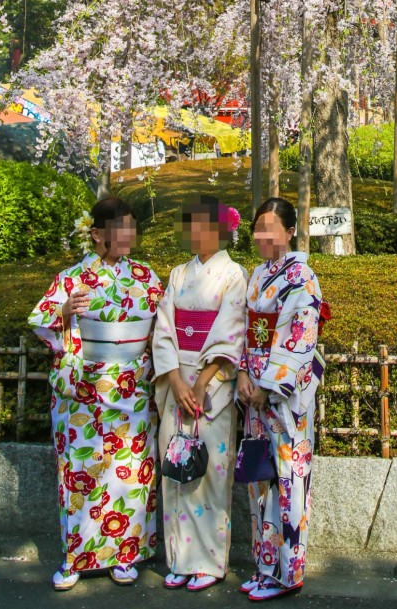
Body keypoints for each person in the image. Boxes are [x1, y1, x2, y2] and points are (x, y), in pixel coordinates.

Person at [29, 196, 163, 592]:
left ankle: (126, 554)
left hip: (133, 385)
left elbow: (164, 328)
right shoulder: (72, 278)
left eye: (131, 227)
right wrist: (66, 311)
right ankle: (75, 557)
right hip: (84, 388)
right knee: (80, 473)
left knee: (132, 472)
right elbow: (41, 319)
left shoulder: (147, 277)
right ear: (98, 234)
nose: (127, 235)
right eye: (120, 228)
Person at [152, 195, 247, 592]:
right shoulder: (177, 274)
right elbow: (164, 330)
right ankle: (179, 559)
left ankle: (208, 562)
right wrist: (174, 379)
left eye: (204, 226)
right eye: (192, 225)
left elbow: (232, 330)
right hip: (178, 383)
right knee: (175, 470)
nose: (196, 233)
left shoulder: (235, 275)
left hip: (213, 388)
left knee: (209, 474)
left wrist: (202, 380)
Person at [237, 197, 325, 602]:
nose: (263, 235)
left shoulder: (303, 278)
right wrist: (242, 372)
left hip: (283, 400)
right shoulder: (256, 276)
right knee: (259, 481)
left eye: (272, 227)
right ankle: (263, 565)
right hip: (254, 393)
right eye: (259, 227)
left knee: (288, 481)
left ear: (290, 232)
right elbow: (245, 331)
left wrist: (268, 386)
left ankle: (288, 573)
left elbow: (300, 340)